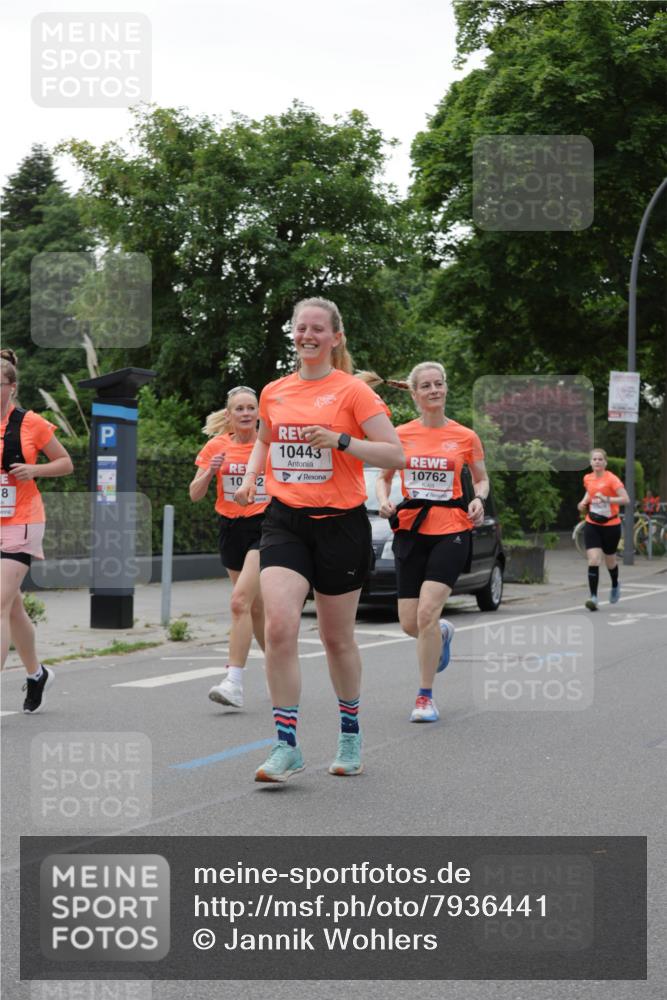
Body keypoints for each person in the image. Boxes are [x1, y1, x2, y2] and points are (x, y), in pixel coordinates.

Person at [235, 297, 404, 782]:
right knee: (280, 627)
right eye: (300, 328)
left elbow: (395, 455)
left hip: (341, 525)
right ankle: (286, 745)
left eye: (316, 329)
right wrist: (251, 479)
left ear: (335, 337)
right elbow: (266, 441)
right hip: (285, 520)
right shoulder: (274, 391)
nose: (307, 335)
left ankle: (350, 732)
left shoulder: (353, 393)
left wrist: (342, 442)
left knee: (335, 638)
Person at [376, 362, 487, 723]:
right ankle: (441, 632)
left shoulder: (465, 436)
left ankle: (425, 697)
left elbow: (481, 480)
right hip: (410, 529)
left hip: (451, 528)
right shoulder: (399, 433)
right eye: (426, 386)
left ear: (445, 388)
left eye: (439, 383)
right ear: (415, 393)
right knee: (410, 623)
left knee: (425, 612)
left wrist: (478, 499)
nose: (434, 390)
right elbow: (384, 477)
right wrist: (383, 499)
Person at [0, 349, 73, 712]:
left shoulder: (31, 423)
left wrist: (35, 471)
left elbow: (65, 463)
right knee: (11, 608)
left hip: (22, 519)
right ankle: (36, 674)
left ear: (11, 387)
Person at [190, 386, 269, 709]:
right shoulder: (216, 446)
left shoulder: (268, 446)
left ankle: (233, 682)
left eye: (251, 408)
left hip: (264, 527)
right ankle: (277, 665)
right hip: (231, 527)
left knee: (239, 602)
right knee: (254, 608)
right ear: (229, 414)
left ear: (259, 414)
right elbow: (195, 494)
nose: (246, 413)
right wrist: (210, 470)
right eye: (240, 408)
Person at [577, 448, 629, 611]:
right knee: (593, 560)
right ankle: (593, 597)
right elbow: (589, 493)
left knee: (610, 561)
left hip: (611, 526)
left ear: (605, 462)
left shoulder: (612, 479)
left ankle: (615, 584)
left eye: (600, 459)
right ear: (591, 463)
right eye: (594, 459)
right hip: (592, 523)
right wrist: (583, 502)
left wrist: (607, 499)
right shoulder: (588, 478)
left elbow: (625, 499)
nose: (597, 462)